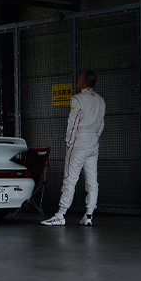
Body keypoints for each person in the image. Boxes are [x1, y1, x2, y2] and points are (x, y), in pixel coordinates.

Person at [42, 69, 105, 227]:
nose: (78, 79)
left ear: (83, 81)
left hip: (79, 142)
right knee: (92, 180)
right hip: (93, 143)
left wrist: (69, 142)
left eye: (79, 77)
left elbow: (73, 122)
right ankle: (89, 215)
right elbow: (101, 124)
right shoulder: (100, 100)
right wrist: (94, 138)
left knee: (70, 179)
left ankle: (61, 214)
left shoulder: (77, 99)